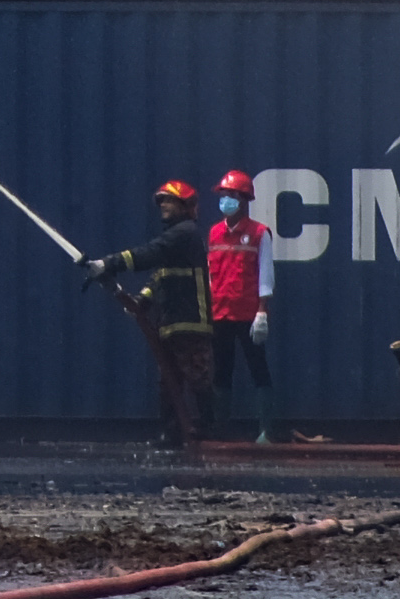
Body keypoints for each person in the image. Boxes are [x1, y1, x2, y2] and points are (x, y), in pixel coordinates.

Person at [82, 180, 217, 456]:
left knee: (197, 376)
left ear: (185, 206)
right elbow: (161, 275)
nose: (164, 206)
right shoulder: (176, 238)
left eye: (169, 201)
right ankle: (171, 433)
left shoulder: (185, 233)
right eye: (162, 201)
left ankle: (210, 430)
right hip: (170, 321)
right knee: (168, 380)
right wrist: (143, 298)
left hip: (190, 319)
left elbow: (150, 254)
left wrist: (109, 263)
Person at [205, 170, 275, 445]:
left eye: (232, 196)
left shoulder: (259, 234)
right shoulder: (214, 233)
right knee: (221, 370)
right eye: (224, 196)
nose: (226, 201)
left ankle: (265, 431)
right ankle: (220, 427)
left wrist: (262, 311)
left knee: (258, 368)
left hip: (248, 314)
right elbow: (211, 275)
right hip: (220, 312)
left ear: (245, 200)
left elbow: (265, 273)